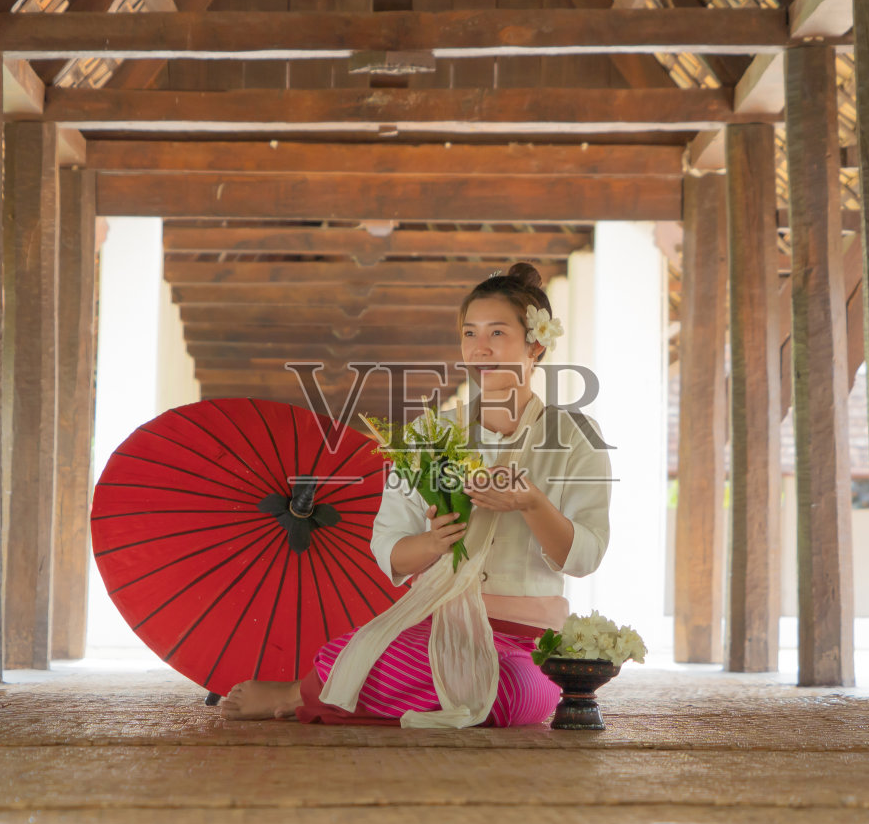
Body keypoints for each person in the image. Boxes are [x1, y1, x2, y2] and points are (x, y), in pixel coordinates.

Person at [219, 262, 612, 725]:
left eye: (497, 333)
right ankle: (303, 690)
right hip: (434, 628)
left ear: (536, 345)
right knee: (368, 652)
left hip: (523, 641)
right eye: (469, 333)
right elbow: (388, 549)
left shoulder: (577, 435)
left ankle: (317, 691)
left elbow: (585, 557)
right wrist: (433, 542)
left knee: (513, 694)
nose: (479, 348)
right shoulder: (431, 433)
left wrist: (531, 503)